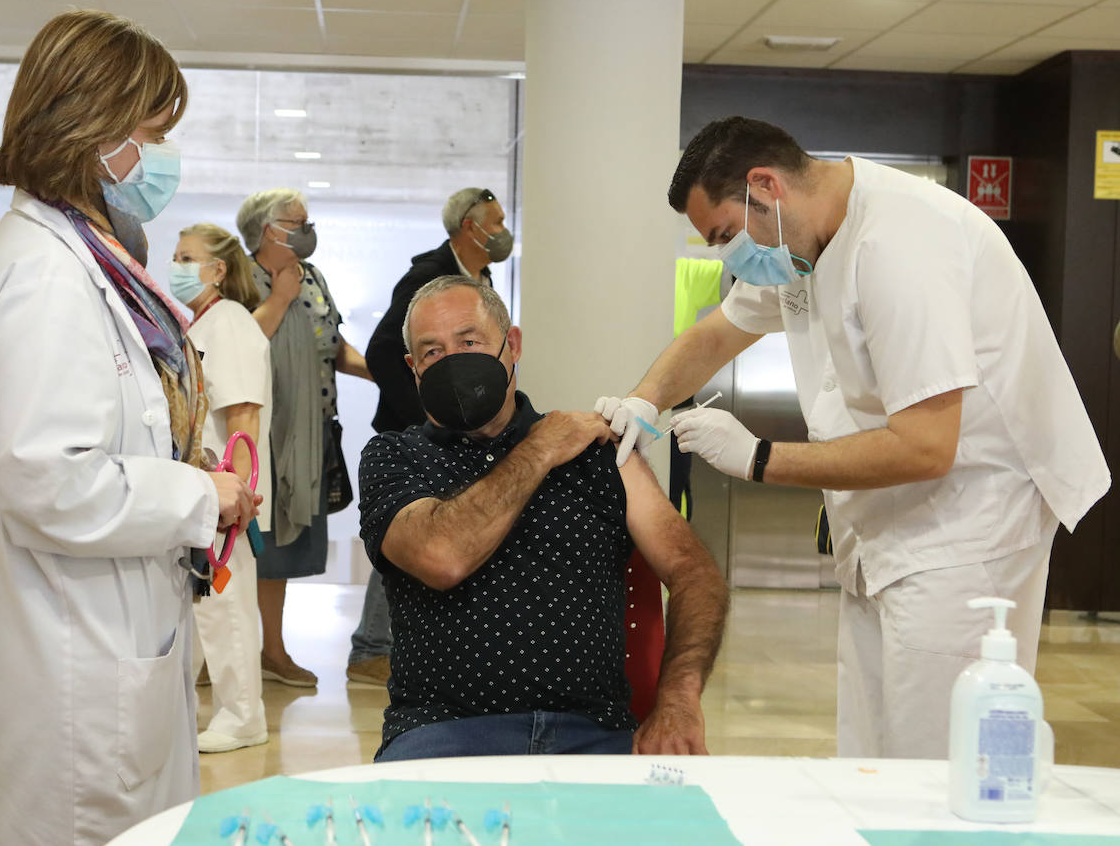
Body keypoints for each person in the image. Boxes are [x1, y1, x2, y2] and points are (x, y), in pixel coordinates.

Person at [598, 115, 1111, 760]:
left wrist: (758, 459)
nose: (728, 256)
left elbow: (928, 445)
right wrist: (642, 401)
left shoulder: (901, 244)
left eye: (726, 234)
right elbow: (715, 334)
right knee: (874, 749)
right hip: (883, 523)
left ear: (766, 185)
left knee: (937, 756)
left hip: (969, 522)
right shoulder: (800, 243)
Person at [0, 11, 260, 846]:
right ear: (93, 131)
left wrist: (183, 470)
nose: (162, 157)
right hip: (73, 680)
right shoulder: (46, 275)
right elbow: (51, 482)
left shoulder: (80, 257)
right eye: (154, 133)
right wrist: (202, 492)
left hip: (102, 651)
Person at [359, 275, 728, 761]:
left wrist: (678, 697)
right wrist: (541, 447)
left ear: (511, 345)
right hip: (442, 734)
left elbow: (694, 572)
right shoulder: (394, 458)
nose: (452, 362)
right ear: (413, 368)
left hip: (592, 734)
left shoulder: (596, 453)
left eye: (469, 342)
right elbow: (441, 556)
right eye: (432, 352)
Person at [350, 186, 514, 687]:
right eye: (498, 220)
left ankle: (382, 643)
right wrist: (428, 412)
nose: (505, 230)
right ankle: (372, 648)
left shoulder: (479, 277)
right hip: (416, 432)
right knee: (407, 530)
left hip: (459, 431)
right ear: (472, 227)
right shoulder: (427, 278)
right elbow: (381, 351)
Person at [236, 188, 373, 687]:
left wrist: (388, 374)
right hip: (259, 432)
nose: (305, 228)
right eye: (296, 221)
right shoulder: (239, 274)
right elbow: (239, 344)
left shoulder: (314, 277)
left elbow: (334, 347)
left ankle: (272, 649)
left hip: (312, 431)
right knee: (255, 542)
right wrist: (278, 299)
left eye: (306, 220)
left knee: (283, 545)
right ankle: (231, 652)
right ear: (265, 228)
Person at [171, 223, 272, 753]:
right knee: (202, 606)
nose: (176, 266)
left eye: (188, 258)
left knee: (225, 606)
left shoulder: (229, 321)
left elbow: (243, 414)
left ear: (219, 270)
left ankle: (242, 717)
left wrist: (235, 493)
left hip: (225, 495)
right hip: (204, 490)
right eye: (176, 256)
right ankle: (184, 708)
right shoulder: (203, 323)